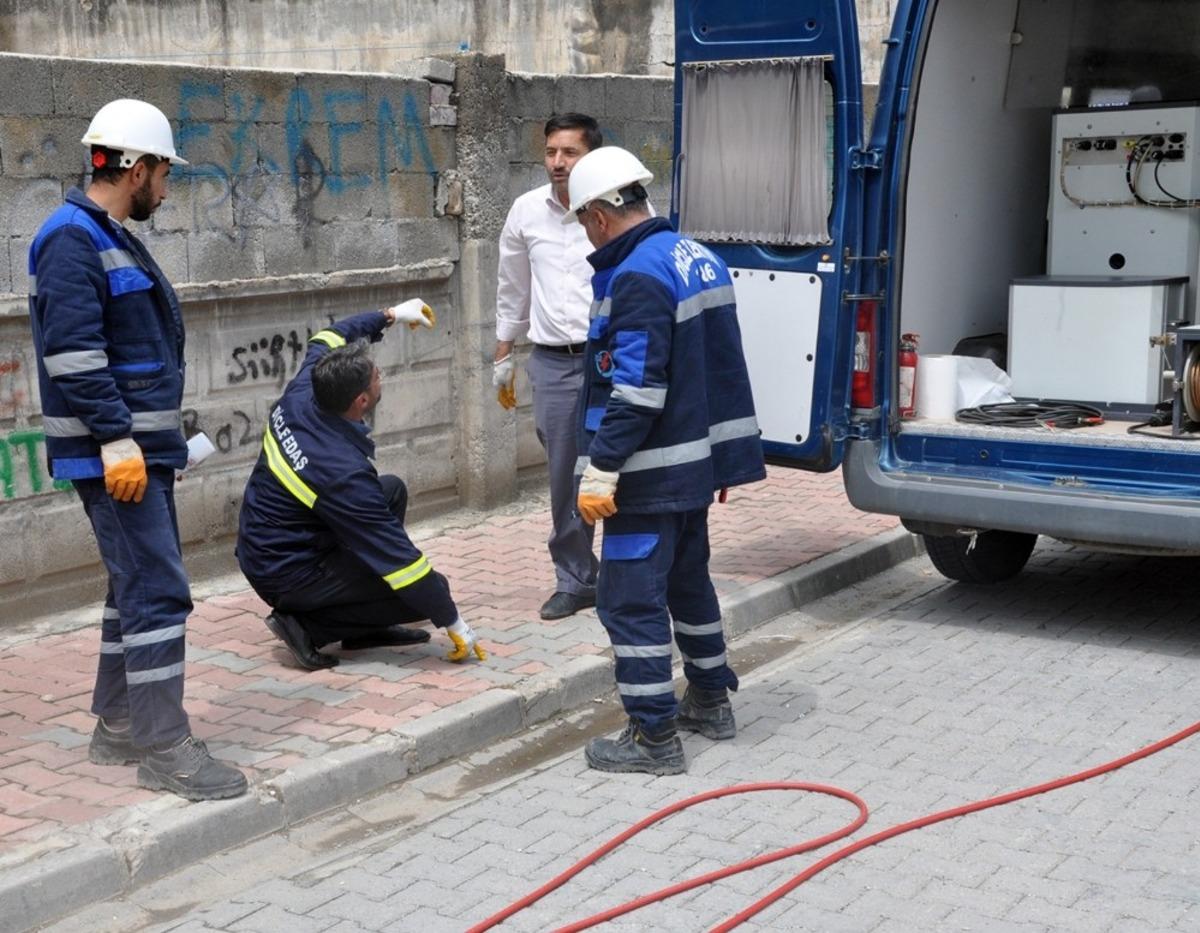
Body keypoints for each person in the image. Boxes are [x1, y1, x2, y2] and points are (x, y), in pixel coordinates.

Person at [27, 99, 247, 800]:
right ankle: (164, 745)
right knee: (157, 592)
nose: (167, 185)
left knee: (134, 589)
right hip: (112, 458)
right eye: (162, 171)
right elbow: (73, 354)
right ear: (134, 166)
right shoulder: (72, 239)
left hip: (137, 456)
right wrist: (118, 437)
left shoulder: (103, 233)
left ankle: (121, 722)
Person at [566, 147, 767, 775]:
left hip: (647, 478)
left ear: (599, 215)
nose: (585, 233)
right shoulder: (696, 255)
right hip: (692, 470)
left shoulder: (637, 275)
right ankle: (709, 700)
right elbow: (718, 372)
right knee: (687, 584)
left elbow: (636, 391)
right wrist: (722, 462)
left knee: (629, 601)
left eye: (582, 222)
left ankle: (654, 738)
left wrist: (602, 467)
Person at [236, 305, 488, 670]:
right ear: (362, 401)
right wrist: (454, 623)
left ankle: (366, 630)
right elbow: (401, 561)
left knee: (392, 491)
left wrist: (390, 315)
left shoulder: (308, 388)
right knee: (421, 592)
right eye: (376, 376)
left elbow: (330, 336)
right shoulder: (342, 473)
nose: (380, 374)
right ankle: (305, 626)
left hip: (272, 538)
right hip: (284, 569)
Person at [492, 113, 603, 621]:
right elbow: (512, 285)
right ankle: (577, 578)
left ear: (591, 156)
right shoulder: (525, 211)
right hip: (555, 365)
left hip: (612, 358)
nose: (558, 163)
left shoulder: (615, 205)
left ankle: (631, 570)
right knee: (566, 477)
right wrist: (503, 350)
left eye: (570, 153)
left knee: (623, 466)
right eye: (552, 152)